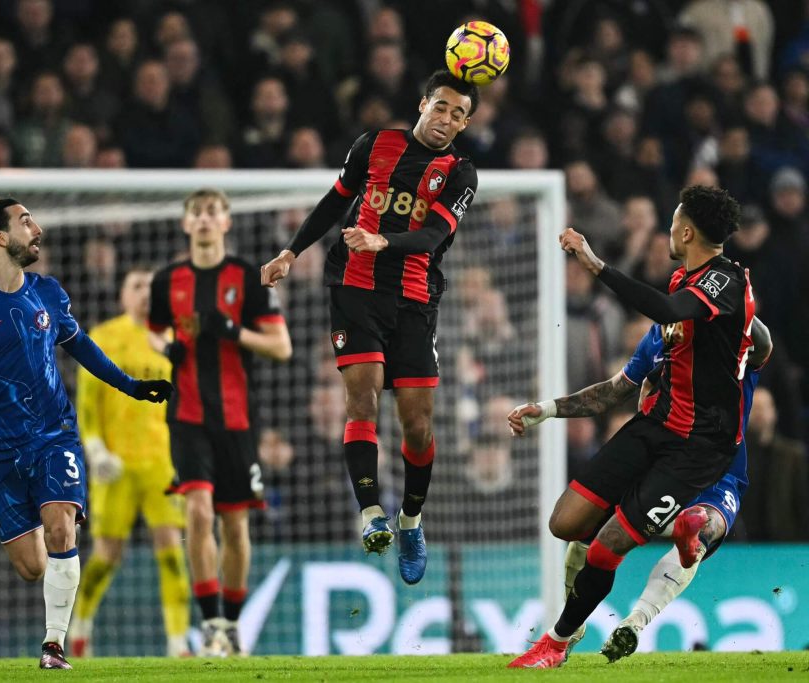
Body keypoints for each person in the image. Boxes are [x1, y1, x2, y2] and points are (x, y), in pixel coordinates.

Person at [0, 192, 172, 669]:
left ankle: (53, 646)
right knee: (33, 568)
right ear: (0, 236)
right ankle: (36, 538)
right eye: (26, 221)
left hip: (55, 434)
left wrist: (134, 387)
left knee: (60, 527)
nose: (37, 230)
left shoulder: (48, 292)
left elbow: (84, 349)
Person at [508, 185, 753, 669]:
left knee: (606, 548)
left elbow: (741, 333)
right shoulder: (684, 283)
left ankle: (555, 643)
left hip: (698, 446)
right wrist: (548, 409)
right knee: (566, 524)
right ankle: (644, 527)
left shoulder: (724, 282)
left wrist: (595, 265)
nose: (667, 231)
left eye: (672, 222)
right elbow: (618, 388)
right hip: (654, 426)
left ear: (686, 230)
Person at [260, 69, 480, 584]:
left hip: (415, 300)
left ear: (465, 124)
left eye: (458, 114)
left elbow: (430, 237)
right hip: (354, 287)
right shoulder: (374, 143)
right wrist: (291, 252)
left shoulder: (460, 174)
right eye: (441, 107)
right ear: (422, 103)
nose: (446, 120)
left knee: (418, 423)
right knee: (363, 396)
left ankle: (411, 520)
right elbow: (337, 200)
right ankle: (370, 514)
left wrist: (383, 242)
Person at [508, 316, 771, 661]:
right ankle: (573, 621)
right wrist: (547, 409)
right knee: (575, 529)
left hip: (719, 469)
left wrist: (736, 304)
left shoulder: (729, 345)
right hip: (662, 463)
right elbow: (615, 389)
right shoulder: (659, 341)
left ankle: (634, 623)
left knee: (700, 524)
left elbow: (764, 345)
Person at [149, 189, 292, 656]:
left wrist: (233, 331)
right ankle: (210, 622)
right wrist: (164, 349)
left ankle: (231, 625)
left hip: (237, 418)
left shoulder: (246, 280)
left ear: (227, 222)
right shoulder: (167, 279)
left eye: (213, 212)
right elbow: (152, 331)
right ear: (186, 224)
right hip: (186, 415)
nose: (206, 220)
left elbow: (281, 346)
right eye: (197, 213)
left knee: (234, 527)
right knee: (197, 511)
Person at [67, 266, 191, 658]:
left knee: (171, 549)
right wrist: (97, 450)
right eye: (136, 286)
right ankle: (80, 630)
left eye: (151, 287)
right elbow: (87, 404)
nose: (144, 292)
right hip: (115, 465)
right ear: (122, 295)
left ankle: (178, 641)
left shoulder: (174, 340)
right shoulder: (103, 338)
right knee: (107, 554)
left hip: (162, 463)